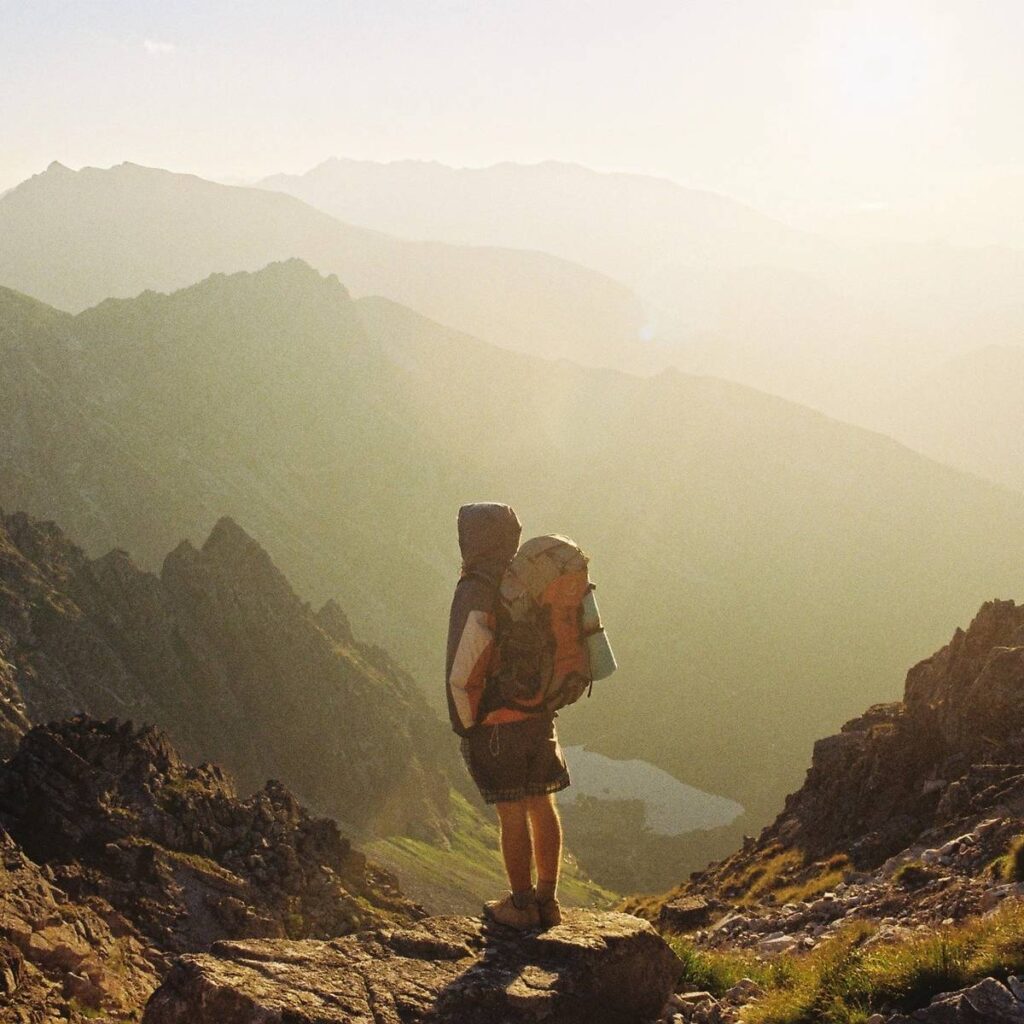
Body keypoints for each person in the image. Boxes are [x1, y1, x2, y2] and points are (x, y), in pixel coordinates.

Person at [445, 502, 570, 930]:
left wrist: (466, 724)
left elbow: (464, 665)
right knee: (543, 801)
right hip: (539, 715)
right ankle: (548, 901)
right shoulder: (528, 582)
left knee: (512, 813)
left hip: (498, 723)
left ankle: (519, 906)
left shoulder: (476, 588)